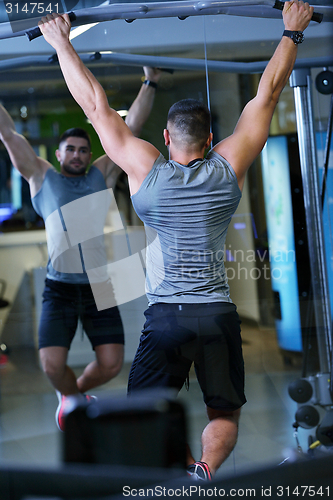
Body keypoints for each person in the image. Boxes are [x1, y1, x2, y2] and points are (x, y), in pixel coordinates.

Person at [39, 0, 313, 477]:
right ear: (210, 141)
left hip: (165, 317)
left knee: (147, 409)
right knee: (223, 412)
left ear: (165, 138)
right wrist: (291, 32)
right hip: (218, 314)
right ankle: (203, 471)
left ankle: (183, 466)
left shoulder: (146, 170)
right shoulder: (228, 166)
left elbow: (95, 105)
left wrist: (61, 43)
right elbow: (267, 94)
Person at [0, 66, 161, 431]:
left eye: (83, 150)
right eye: (70, 149)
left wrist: (150, 82)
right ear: (57, 154)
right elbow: (7, 133)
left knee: (111, 365)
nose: (77, 154)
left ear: (90, 155)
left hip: (98, 285)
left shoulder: (99, 176)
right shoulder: (42, 177)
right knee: (52, 366)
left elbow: (128, 129)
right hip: (59, 288)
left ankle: (74, 397)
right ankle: (71, 399)